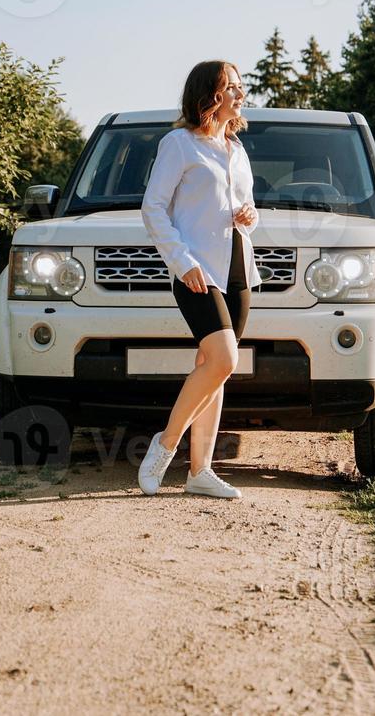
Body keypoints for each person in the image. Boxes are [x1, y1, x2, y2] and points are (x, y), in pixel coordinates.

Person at [138, 60, 262, 499]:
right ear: (209, 95)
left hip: (238, 269)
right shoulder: (179, 145)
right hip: (195, 270)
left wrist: (250, 216)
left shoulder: (237, 150)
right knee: (224, 359)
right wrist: (180, 260)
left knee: (214, 369)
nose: (239, 94)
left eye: (239, 86)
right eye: (231, 87)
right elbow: (153, 207)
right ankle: (164, 445)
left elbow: (246, 208)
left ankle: (200, 472)